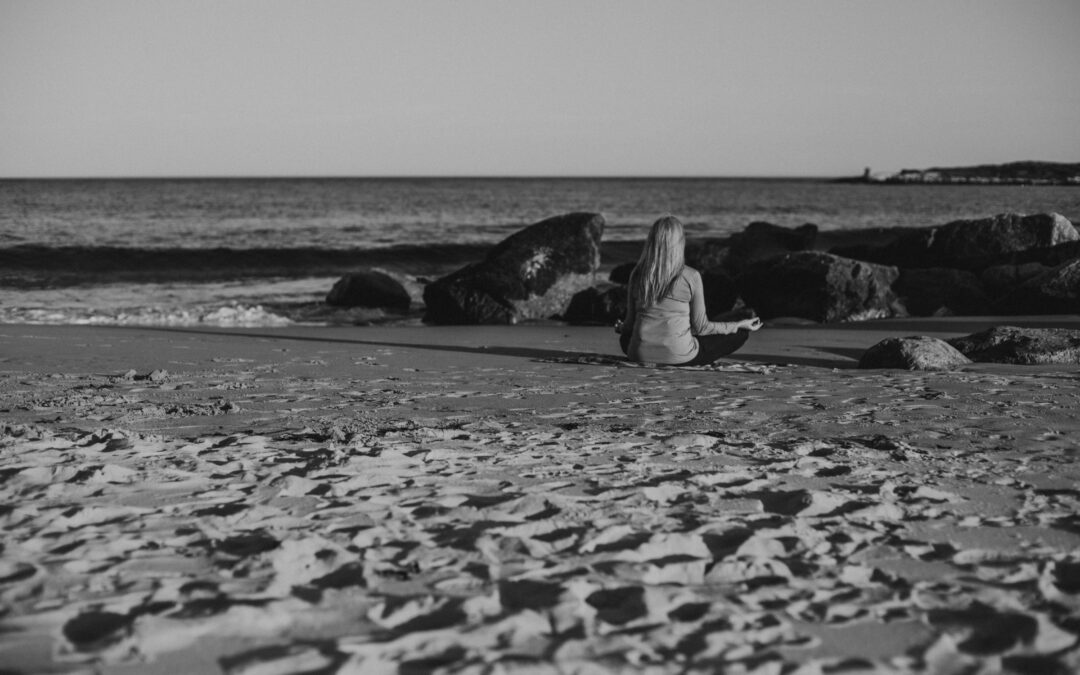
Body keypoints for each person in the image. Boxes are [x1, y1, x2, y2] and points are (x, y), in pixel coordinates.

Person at [617, 215, 761, 366]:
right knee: (740, 335)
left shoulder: (637, 273)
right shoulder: (691, 276)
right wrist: (737, 325)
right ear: (679, 242)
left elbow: (630, 323)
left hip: (638, 354)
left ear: (651, 242)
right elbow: (701, 327)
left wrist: (621, 327)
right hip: (679, 356)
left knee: (625, 337)